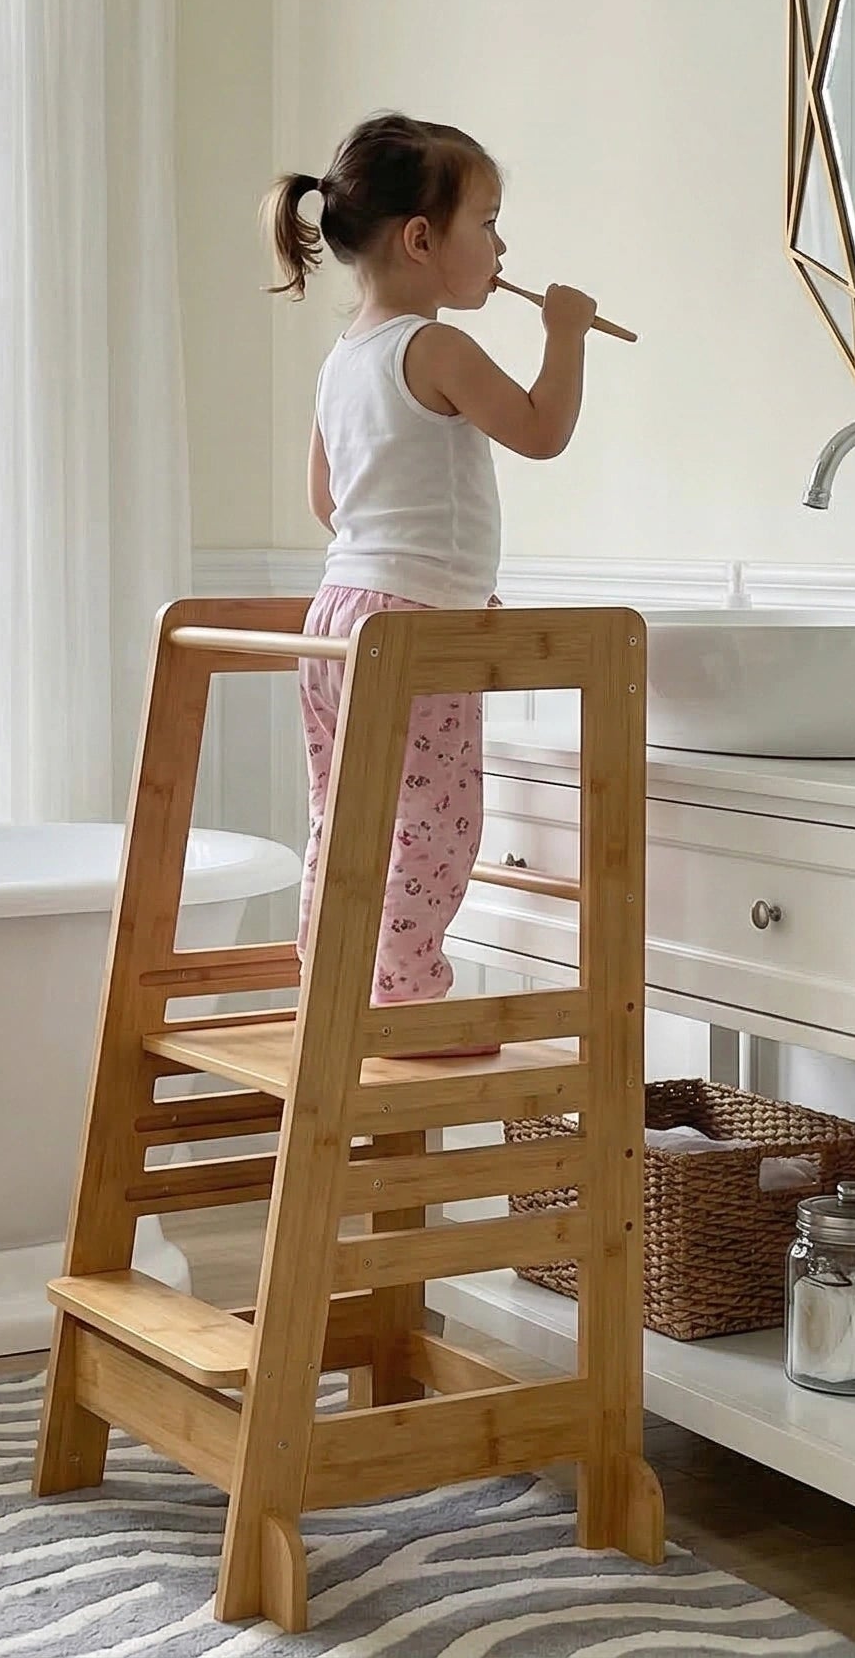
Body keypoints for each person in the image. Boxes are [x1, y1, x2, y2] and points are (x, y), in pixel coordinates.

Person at [263, 111, 597, 1033]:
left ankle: (327, 976)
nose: (500, 245)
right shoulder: (434, 345)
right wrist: (565, 333)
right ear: (421, 240)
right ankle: (405, 997)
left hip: (336, 613)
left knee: (343, 810)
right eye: (487, 223)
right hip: (414, 630)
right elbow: (539, 431)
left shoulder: (344, 360)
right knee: (435, 820)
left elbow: (327, 503)